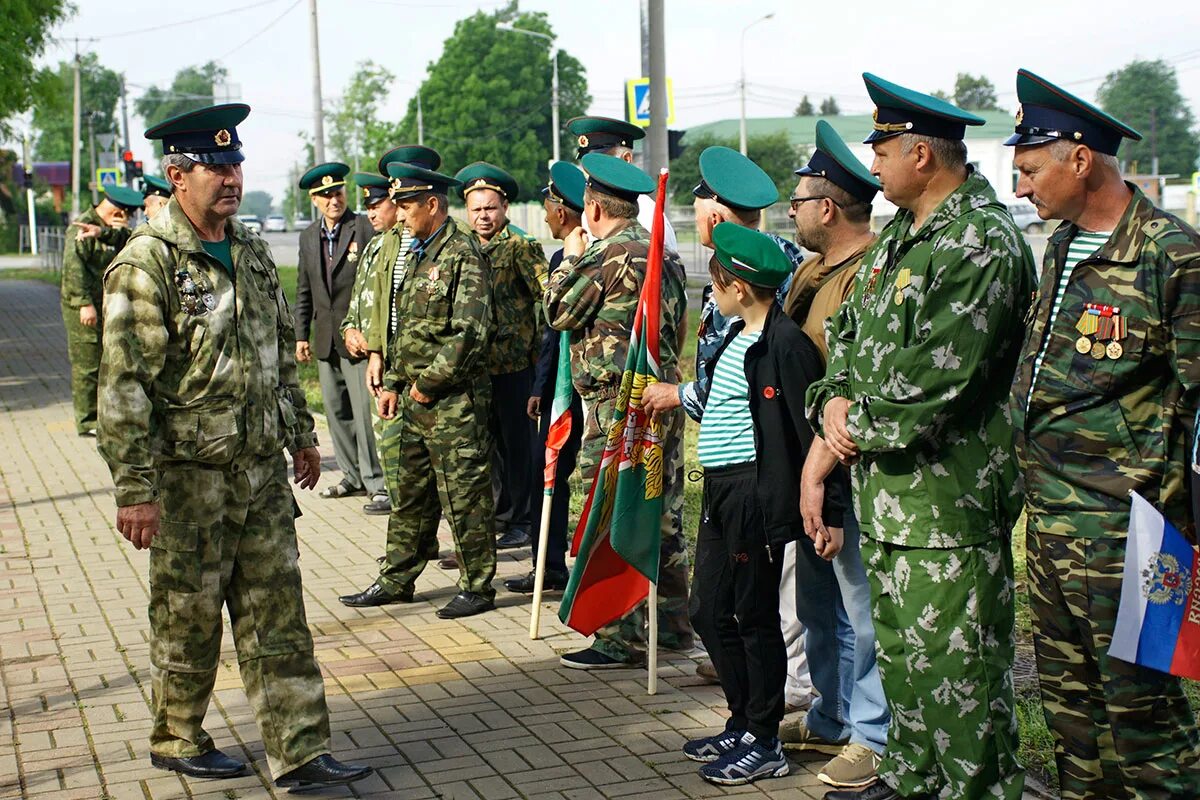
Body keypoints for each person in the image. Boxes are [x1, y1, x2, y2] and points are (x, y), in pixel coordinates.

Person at [97, 103, 370, 791]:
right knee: (188, 616)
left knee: (279, 614)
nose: (231, 178)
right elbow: (124, 385)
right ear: (177, 174)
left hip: (260, 475)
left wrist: (302, 436)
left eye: (236, 164)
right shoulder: (147, 263)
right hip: (189, 480)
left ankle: (301, 751)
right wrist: (135, 490)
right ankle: (177, 735)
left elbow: (278, 355)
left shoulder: (248, 251)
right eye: (216, 167)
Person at [807, 74, 1034, 800]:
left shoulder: (979, 242)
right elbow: (845, 332)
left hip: (949, 504)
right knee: (907, 665)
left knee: (961, 680)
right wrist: (831, 398)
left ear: (923, 157)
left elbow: (934, 383)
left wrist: (843, 433)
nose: (870, 166)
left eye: (881, 149)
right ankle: (910, 780)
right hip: (890, 499)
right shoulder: (902, 237)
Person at [1007, 68, 1200, 799]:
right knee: (1071, 715)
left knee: (1143, 717)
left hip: (1132, 535)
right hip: (1054, 527)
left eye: (1028, 170)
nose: (1021, 187)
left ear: (1079, 158)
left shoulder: (1170, 253)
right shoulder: (1059, 247)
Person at [641, 145, 812, 705]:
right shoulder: (749, 271)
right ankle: (753, 680)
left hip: (763, 463)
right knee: (733, 597)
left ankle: (786, 692)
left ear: (716, 215)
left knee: (777, 593)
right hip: (729, 465)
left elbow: (750, 379)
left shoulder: (765, 275)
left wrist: (681, 394)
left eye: (701, 212)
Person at [682, 222, 846, 786]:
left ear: (741, 288)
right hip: (720, 489)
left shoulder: (786, 345)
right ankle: (742, 720)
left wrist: (828, 511)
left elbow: (811, 433)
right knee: (707, 608)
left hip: (756, 493)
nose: (712, 292)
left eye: (717, 282)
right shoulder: (732, 335)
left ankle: (765, 737)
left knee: (754, 616)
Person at [544, 153, 693, 669]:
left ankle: (618, 636)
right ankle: (673, 624)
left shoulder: (603, 255)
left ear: (592, 208)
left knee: (607, 509)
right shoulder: (661, 253)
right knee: (661, 507)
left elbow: (557, 310)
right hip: (660, 397)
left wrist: (568, 254)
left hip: (616, 407)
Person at [780, 120, 890, 793]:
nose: (789, 211)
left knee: (860, 607)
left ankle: (871, 735)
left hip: (845, 468)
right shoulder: (812, 271)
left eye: (797, 201)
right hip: (806, 466)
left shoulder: (869, 274)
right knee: (820, 608)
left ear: (827, 207)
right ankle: (832, 713)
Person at [371, 157, 498, 619]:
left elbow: (470, 332)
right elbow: (409, 330)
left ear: (431, 203)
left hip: (453, 401)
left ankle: (478, 585)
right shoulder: (421, 251)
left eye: (405, 206)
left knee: (463, 494)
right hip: (412, 397)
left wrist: (426, 384)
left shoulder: (462, 253)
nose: (399, 215)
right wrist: (394, 383)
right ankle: (397, 577)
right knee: (409, 493)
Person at [454, 162, 549, 550]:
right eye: (476, 209)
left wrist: (542, 360)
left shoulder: (521, 247)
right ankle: (498, 514)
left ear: (505, 208)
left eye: (490, 208)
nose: (483, 216)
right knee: (485, 447)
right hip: (476, 367)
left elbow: (548, 298)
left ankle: (522, 519)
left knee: (517, 448)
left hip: (514, 366)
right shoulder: (463, 246)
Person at [505, 162, 587, 594]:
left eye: (548, 206)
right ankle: (548, 566)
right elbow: (551, 330)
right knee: (546, 473)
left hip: (591, 391)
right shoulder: (559, 257)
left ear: (563, 212)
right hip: (558, 390)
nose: (544, 213)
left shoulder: (592, 257)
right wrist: (540, 387)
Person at [294, 162, 384, 509]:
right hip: (324, 338)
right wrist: (301, 333)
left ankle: (376, 481)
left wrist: (370, 334)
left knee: (363, 412)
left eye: (338, 192)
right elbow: (304, 288)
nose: (334, 200)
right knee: (336, 410)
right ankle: (352, 476)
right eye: (326, 195)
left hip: (357, 339)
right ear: (314, 200)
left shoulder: (362, 227)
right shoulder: (307, 236)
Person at [60, 184, 143, 436]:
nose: (127, 220)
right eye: (125, 215)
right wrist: (84, 303)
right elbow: (73, 269)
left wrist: (115, 230)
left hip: (106, 303)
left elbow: (126, 243)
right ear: (118, 211)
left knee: (106, 358)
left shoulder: (106, 229)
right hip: (83, 306)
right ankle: (87, 421)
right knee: (87, 361)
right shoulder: (81, 227)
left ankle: (105, 414)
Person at [340, 171, 400, 516]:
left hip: (390, 357)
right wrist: (349, 330)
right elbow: (358, 298)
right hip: (368, 356)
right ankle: (392, 492)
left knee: (393, 435)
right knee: (381, 432)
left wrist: (376, 344)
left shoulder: (401, 244)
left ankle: (402, 497)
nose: (372, 214)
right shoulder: (375, 244)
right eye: (368, 207)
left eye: (378, 205)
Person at [565, 115, 678, 255]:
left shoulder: (647, 215)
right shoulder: (590, 210)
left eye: (601, 163)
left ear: (626, 159)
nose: (591, 171)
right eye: (588, 163)